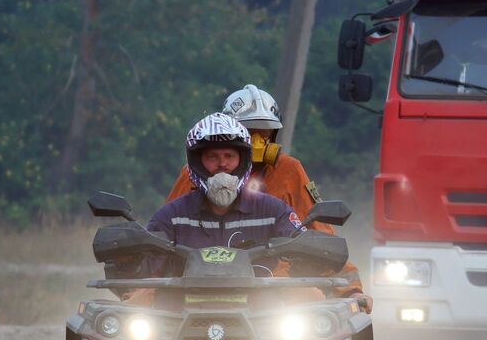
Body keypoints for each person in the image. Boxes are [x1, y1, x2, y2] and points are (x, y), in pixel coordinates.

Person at [166, 85, 370, 310]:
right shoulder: (195, 173)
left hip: (273, 282)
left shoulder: (288, 172)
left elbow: (320, 238)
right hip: (197, 280)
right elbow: (160, 239)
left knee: (318, 310)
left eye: (263, 134)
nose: (256, 141)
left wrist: (350, 290)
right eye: (248, 131)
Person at [148, 112, 304, 249]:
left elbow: (305, 249)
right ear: (197, 163)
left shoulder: (274, 212)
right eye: (212, 157)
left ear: (243, 160)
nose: (222, 164)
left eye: (229, 156)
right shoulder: (171, 217)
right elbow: (145, 264)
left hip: (259, 276)